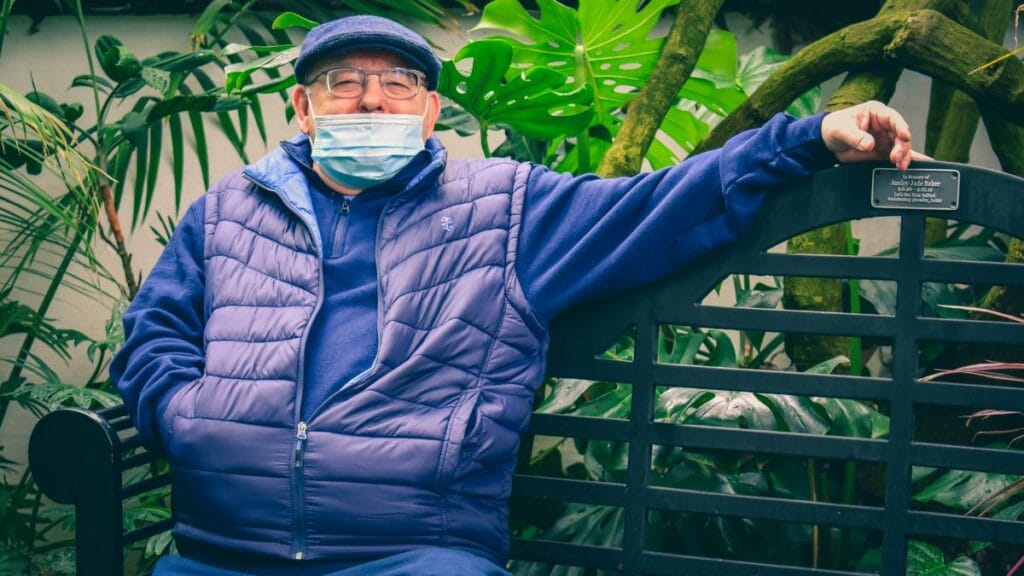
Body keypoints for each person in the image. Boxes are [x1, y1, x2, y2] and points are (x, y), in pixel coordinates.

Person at [110, 13, 916, 576]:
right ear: (303, 107)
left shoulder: (506, 210)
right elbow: (153, 336)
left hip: (417, 555)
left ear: (429, 112)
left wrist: (806, 138)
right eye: (342, 83)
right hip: (218, 552)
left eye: (396, 85)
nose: (369, 101)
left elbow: (660, 205)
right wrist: (191, 422)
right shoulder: (227, 212)